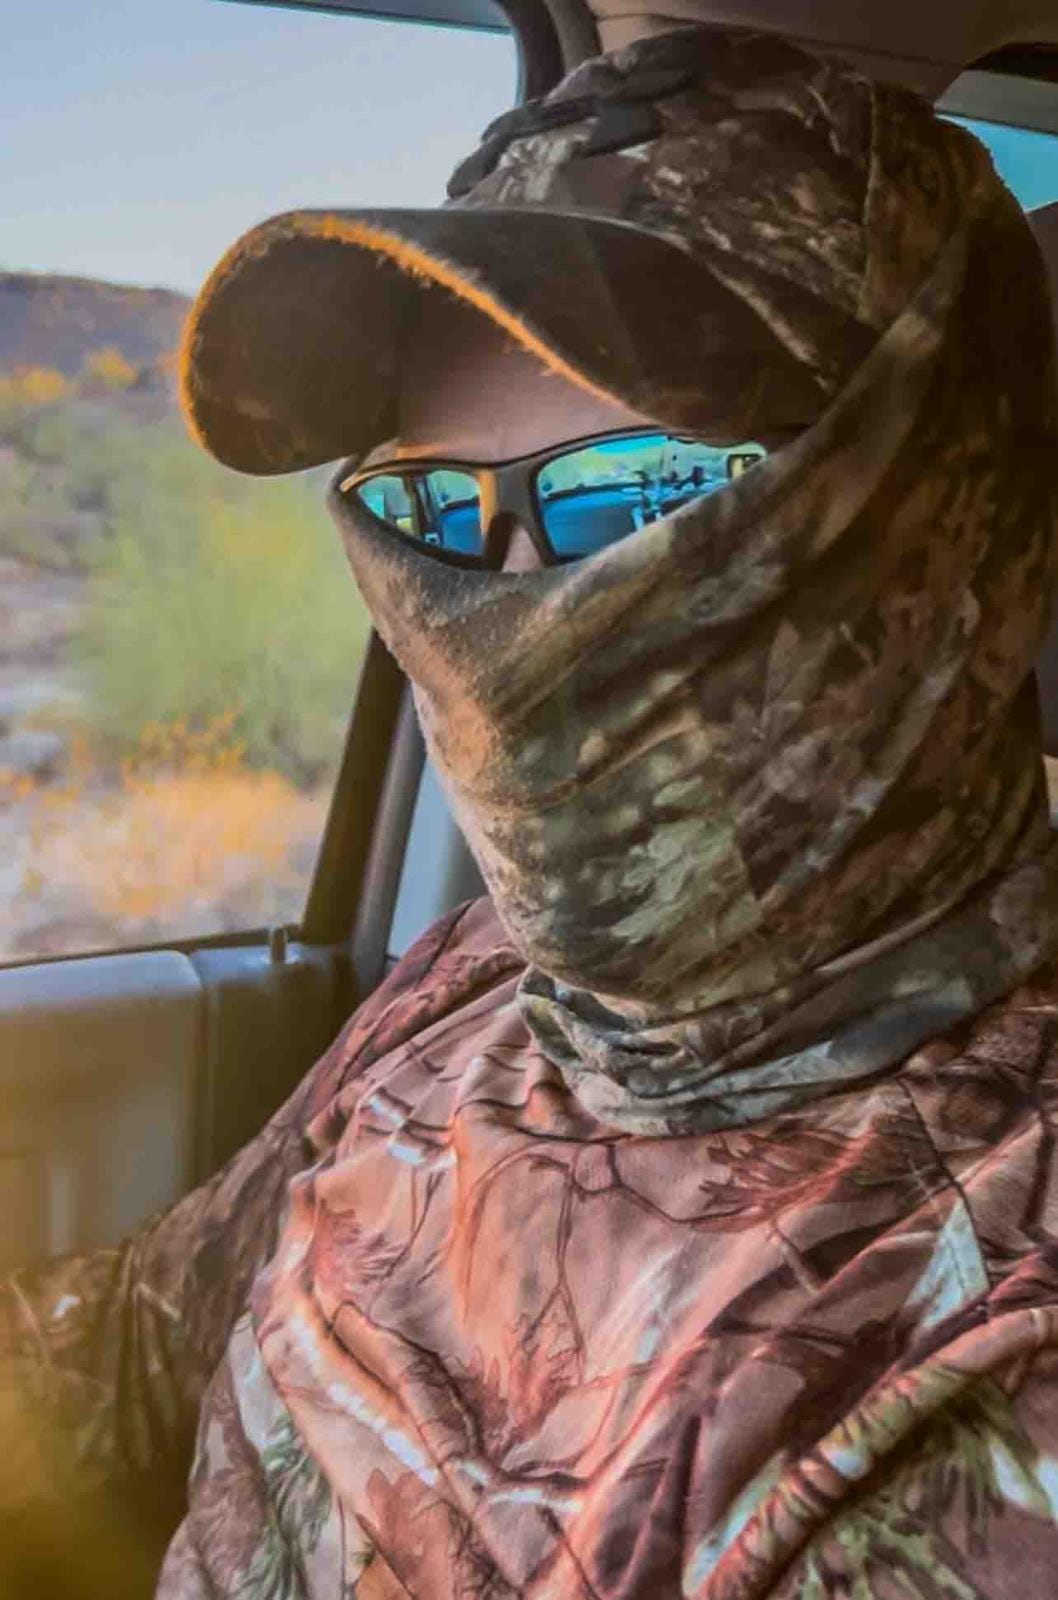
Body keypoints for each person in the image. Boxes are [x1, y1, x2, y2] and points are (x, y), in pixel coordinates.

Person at [6, 19, 1058, 1599]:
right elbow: (116, 1366)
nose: (499, 601)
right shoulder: (479, 984)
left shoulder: (988, 1324)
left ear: (941, 522)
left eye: (641, 495)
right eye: (431, 509)